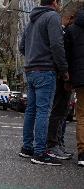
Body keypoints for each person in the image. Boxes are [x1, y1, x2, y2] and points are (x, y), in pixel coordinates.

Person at [18, 0, 69, 165]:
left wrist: (32, 56)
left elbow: (22, 46)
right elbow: (57, 44)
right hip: (46, 70)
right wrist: (63, 69)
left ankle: (27, 147)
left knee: (31, 111)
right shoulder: (52, 16)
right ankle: (40, 152)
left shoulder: (33, 19)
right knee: (43, 112)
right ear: (55, 2)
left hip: (30, 71)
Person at [46, 12, 76, 160]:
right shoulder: (63, 32)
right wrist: (65, 73)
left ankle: (56, 143)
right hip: (62, 76)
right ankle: (53, 144)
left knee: (60, 112)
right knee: (59, 112)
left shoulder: (64, 31)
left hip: (61, 75)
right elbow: (61, 52)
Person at [64, 9, 84, 167]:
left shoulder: (72, 30)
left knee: (82, 116)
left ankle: (82, 154)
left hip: (79, 78)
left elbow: (67, 54)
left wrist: (67, 75)